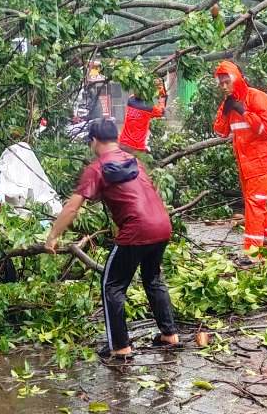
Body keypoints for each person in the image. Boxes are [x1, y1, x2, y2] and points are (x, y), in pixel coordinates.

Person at [44, 118, 179, 361]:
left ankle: (120, 347)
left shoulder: (96, 169)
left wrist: (52, 237)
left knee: (112, 286)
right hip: (162, 225)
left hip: (137, 230)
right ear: (115, 140)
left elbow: (72, 208)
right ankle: (169, 334)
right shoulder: (134, 161)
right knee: (153, 278)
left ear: (93, 141)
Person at [212, 61, 267, 256]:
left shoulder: (258, 97)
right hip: (244, 163)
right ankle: (266, 240)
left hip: (260, 161)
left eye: (227, 82)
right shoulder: (228, 103)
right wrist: (226, 112)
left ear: (236, 79)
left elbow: (266, 129)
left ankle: (253, 252)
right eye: (221, 83)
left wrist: (243, 111)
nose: (224, 87)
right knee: (255, 202)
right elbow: (220, 132)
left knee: (254, 204)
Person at [118, 79, 167, 156]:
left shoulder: (130, 100)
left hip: (122, 144)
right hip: (137, 148)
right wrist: (162, 94)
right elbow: (162, 111)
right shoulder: (150, 107)